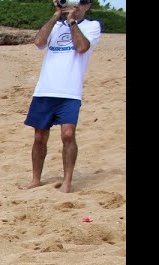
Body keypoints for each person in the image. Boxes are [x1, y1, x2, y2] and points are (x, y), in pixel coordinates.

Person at [22, 1, 103, 193]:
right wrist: (56, 15)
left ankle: (67, 182)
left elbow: (82, 47)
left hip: (69, 91)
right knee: (39, 136)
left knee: (68, 135)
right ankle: (35, 179)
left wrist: (72, 22)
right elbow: (39, 42)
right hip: (45, 89)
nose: (77, 6)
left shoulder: (92, 26)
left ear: (88, 5)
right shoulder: (56, 26)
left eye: (81, 3)